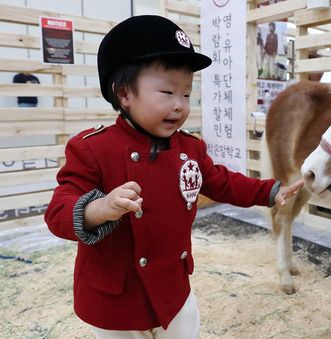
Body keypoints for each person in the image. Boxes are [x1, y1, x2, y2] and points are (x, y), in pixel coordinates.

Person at [44, 15, 303, 339]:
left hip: (173, 288)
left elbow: (222, 181)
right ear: (124, 93)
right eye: (167, 92)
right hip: (116, 300)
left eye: (186, 94)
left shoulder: (190, 148)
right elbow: (57, 213)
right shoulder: (94, 148)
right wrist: (101, 208)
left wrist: (269, 191)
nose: (180, 106)